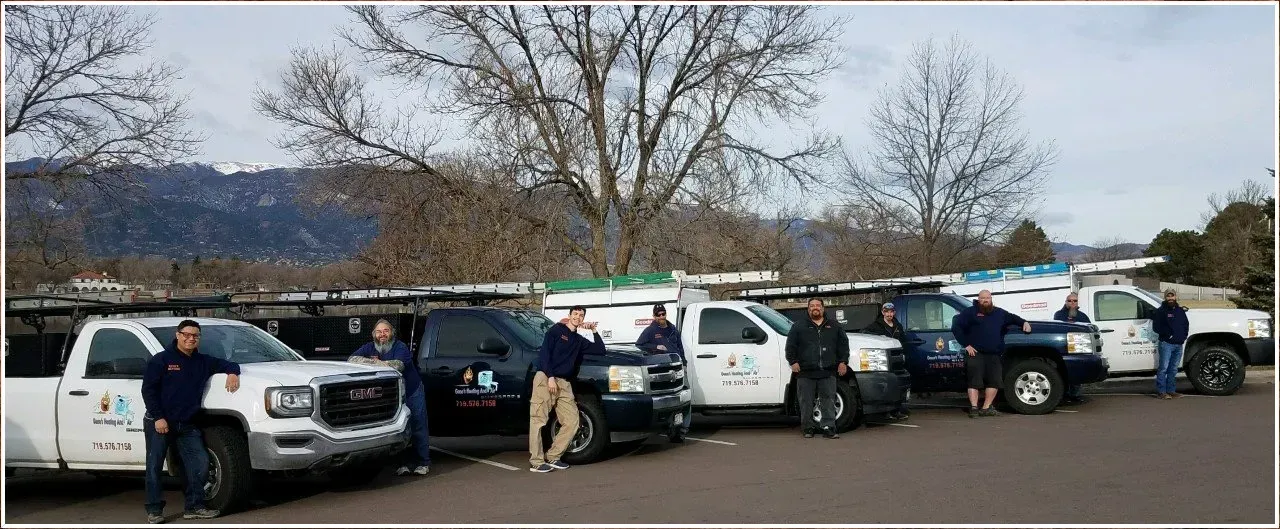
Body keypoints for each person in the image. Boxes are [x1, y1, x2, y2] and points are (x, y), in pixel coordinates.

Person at [141, 320, 241, 524]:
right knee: (154, 467)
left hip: (187, 424)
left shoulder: (203, 361)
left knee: (201, 463)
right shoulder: (161, 360)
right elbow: (148, 391)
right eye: (187, 334)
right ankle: (154, 510)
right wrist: (158, 417)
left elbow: (229, 364)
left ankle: (194, 506)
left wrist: (233, 373)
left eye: (195, 335)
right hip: (160, 422)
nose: (191, 338)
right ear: (178, 335)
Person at [348, 319, 430, 476]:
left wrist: (377, 363)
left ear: (392, 332)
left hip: (412, 390)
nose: (382, 335)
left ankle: (423, 462)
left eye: (385, 331)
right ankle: (403, 463)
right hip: (392, 395)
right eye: (378, 332)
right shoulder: (369, 347)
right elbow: (352, 359)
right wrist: (375, 362)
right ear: (374, 334)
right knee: (401, 428)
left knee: (417, 425)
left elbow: (398, 365)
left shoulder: (400, 347)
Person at [530, 305, 604, 472]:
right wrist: (550, 377)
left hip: (564, 384)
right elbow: (545, 354)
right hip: (546, 379)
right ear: (569, 315)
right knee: (538, 421)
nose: (578, 317)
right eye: (575, 314)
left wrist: (593, 330)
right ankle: (536, 461)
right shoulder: (556, 331)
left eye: (581, 315)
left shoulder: (578, 340)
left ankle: (553, 456)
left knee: (572, 421)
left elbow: (600, 350)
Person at [950, 290, 1032, 418]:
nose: (985, 300)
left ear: (991, 298)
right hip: (975, 353)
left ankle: (986, 408)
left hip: (993, 354)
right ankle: (974, 408)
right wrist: (966, 345)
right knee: (974, 382)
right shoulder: (970, 312)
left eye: (987, 298)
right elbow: (956, 327)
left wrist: (1024, 322)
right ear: (978, 299)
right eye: (982, 298)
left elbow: (1013, 318)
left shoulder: (999, 313)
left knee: (994, 382)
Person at [785, 298, 850, 439]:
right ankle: (808, 428)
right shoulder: (798, 326)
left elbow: (843, 346)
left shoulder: (834, 326)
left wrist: (843, 362)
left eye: (818, 305)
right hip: (805, 372)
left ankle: (828, 428)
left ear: (823, 308)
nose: (815, 308)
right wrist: (793, 361)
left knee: (828, 401)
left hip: (828, 371)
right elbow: (790, 346)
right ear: (808, 309)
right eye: (812, 306)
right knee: (806, 402)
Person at [635, 303, 690, 441]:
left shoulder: (672, 329)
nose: (661, 316)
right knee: (669, 400)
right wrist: (655, 347)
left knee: (685, 398)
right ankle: (670, 429)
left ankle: (682, 430)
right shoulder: (650, 330)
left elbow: (680, 347)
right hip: (663, 370)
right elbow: (639, 345)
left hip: (678, 367)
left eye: (663, 313)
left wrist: (684, 363)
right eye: (658, 314)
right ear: (654, 316)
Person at [862, 302, 909, 420]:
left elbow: (903, 341)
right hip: (883, 361)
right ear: (882, 312)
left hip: (897, 360)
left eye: (891, 311)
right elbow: (865, 334)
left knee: (898, 386)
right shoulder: (876, 326)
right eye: (886, 312)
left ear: (894, 312)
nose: (889, 314)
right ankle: (886, 412)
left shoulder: (898, 326)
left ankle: (896, 410)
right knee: (887, 386)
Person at [1052, 292, 1091, 405]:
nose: (1072, 303)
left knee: (1076, 372)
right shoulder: (1059, 315)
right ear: (1066, 302)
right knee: (1063, 371)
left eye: (1075, 301)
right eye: (1070, 301)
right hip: (1064, 347)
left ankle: (1075, 395)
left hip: (1078, 347)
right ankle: (1064, 395)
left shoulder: (1083, 316)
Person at [1152, 289, 1190, 399]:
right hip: (1166, 344)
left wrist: (1183, 337)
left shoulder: (1180, 311)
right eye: (1168, 296)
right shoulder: (1161, 311)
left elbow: (1185, 325)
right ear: (1165, 297)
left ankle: (1171, 390)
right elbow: (1156, 327)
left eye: (1172, 296)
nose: (1170, 298)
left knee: (1173, 369)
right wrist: (1168, 335)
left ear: (1175, 297)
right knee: (1163, 368)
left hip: (1179, 344)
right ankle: (1161, 392)